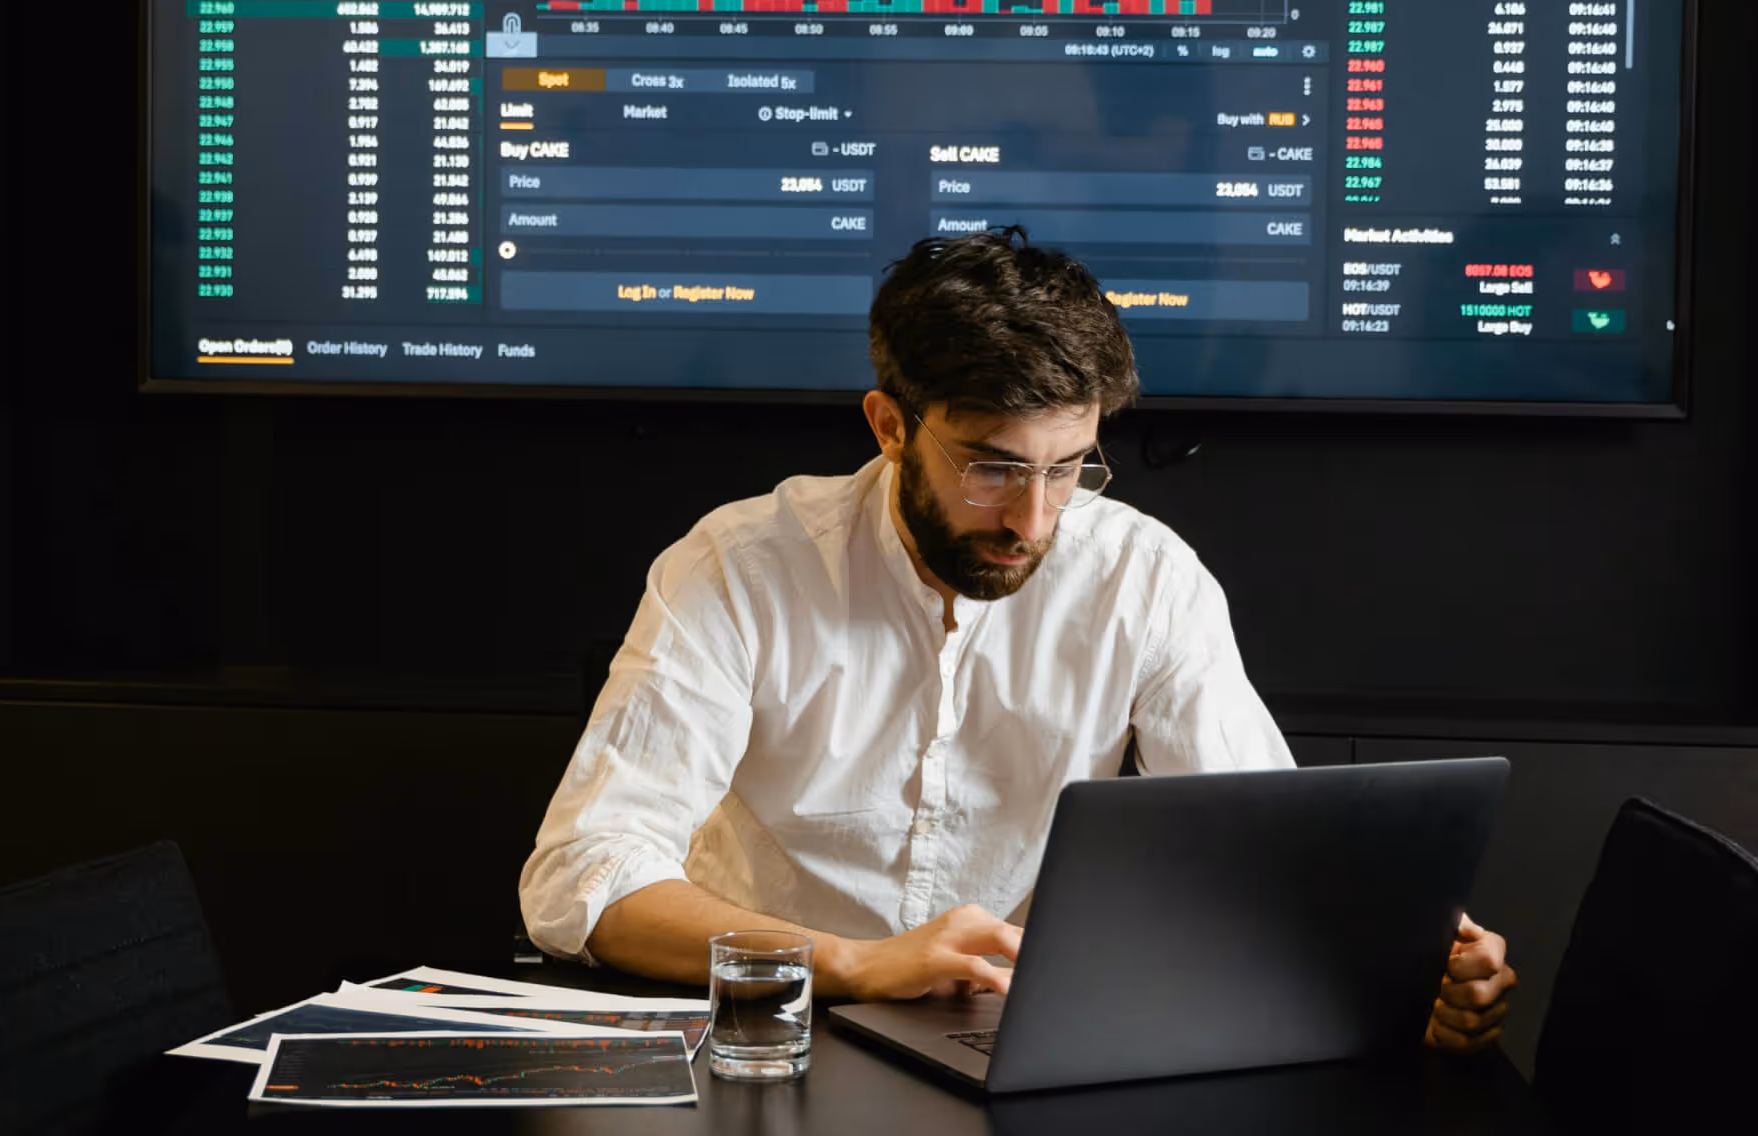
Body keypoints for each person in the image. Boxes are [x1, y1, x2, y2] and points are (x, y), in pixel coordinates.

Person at [519, 228, 1518, 1052]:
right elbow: (582, 877)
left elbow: (1271, 853)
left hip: (1018, 1043)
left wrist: (1399, 971)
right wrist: (854, 961)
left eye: (1068, 469)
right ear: (889, 425)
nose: (1033, 523)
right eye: (991, 469)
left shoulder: (1143, 574)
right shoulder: (736, 566)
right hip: (772, 1032)